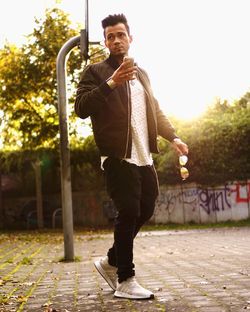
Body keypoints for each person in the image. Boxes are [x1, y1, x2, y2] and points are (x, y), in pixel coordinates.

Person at [75, 13, 188, 300]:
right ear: (105, 42)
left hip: (143, 155)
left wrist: (173, 136)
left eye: (120, 34)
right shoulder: (95, 72)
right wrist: (111, 83)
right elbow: (81, 107)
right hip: (116, 156)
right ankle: (125, 278)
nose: (116, 40)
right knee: (128, 211)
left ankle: (111, 260)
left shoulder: (143, 74)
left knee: (146, 207)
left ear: (130, 38)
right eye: (110, 36)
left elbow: (156, 110)